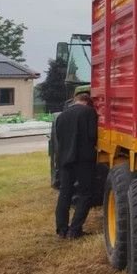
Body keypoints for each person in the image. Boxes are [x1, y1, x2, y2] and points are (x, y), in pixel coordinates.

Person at [53, 92, 99, 239]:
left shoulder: (62, 116)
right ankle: (75, 230)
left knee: (65, 193)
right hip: (83, 160)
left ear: (75, 101)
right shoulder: (89, 112)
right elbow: (93, 136)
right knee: (85, 193)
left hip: (65, 160)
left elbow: (58, 139)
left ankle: (61, 230)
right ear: (87, 102)